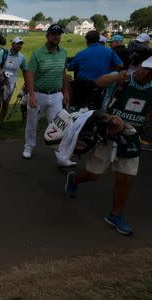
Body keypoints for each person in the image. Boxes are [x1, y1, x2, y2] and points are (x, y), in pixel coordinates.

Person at [65, 56, 152, 236]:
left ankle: (115, 215)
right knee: (94, 175)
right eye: (146, 69)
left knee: (126, 180)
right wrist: (116, 77)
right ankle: (75, 179)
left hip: (131, 137)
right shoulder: (122, 79)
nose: (146, 74)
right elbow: (99, 82)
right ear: (141, 67)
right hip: (108, 134)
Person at [22, 24, 69, 160]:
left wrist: (65, 91)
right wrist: (31, 95)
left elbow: (63, 72)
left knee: (57, 126)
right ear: (47, 36)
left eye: (58, 34)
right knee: (32, 123)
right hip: (38, 94)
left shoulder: (64, 52)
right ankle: (29, 146)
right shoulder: (38, 53)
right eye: (53, 34)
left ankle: (60, 155)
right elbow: (30, 74)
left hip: (55, 95)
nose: (56, 37)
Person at [0, 36, 27, 128]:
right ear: (13, 44)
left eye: (21, 44)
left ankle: (0, 123)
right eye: (18, 44)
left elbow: (25, 70)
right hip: (0, 81)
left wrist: (26, 83)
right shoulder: (4, 52)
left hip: (11, 84)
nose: (19, 46)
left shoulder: (21, 57)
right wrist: (2, 76)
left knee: (5, 105)